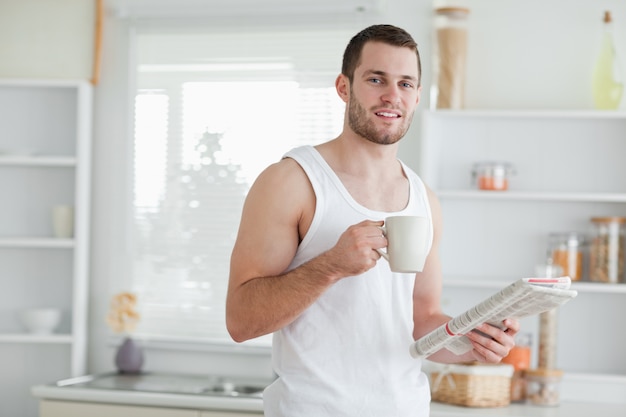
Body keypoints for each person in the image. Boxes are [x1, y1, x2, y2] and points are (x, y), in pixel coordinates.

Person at [226, 24, 519, 417]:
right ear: (344, 87)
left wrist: (473, 343)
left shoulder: (424, 200)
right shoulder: (291, 182)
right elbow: (241, 321)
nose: (392, 95)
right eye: (376, 79)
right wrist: (330, 266)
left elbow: (421, 321)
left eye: (405, 83)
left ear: (416, 97)